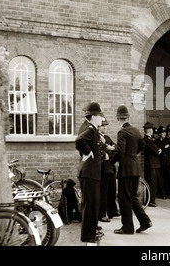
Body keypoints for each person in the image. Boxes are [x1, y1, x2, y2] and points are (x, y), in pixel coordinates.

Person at [112, 105, 152, 234]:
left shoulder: (122, 132)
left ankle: (128, 227)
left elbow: (120, 152)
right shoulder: (135, 130)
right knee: (133, 196)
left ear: (119, 119)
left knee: (124, 198)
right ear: (128, 117)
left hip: (126, 170)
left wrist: (112, 161)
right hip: (135, 168)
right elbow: (143, 144)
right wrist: (134, 154)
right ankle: (145, 221)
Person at [75, 102, 105, 243]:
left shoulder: (91, 128)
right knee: (90, 204)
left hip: (91, 172)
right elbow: (79, 140)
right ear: (93, 116)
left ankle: (91, 232)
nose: (102, 119)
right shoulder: (90, 129)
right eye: (99, 116)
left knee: (93, 204)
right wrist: (88, 152)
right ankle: (88, 236)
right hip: (89, 172)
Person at [98, 118, 120, 222]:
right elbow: (101, 151)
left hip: (111, 168)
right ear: (99, 127)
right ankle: (102, 214)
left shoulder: (107, 137)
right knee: (103, 192)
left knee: (112, 191)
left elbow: (116, 148)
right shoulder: (97, 138)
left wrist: (110, 149)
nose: (105, 128)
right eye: (103, 126)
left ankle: (112, 211)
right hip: (103, 168)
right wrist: (109, 149)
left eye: (106, 126)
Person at [143, 122, 163, 207]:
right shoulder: (149, 140)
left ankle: (149, 200)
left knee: (149, 183)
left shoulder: (146, 140)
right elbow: (156, 151)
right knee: (153, 183)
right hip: (153, 164)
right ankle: (151, 201)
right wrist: (159, 150)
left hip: (149, 164)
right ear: (150, 131)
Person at [157, 125, 170, 200]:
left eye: (164, 132)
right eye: (162, 133)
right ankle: (164, 194)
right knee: (162, 179)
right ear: (159, 134)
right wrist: (164, 147)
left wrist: (161, 150)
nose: (164, 134)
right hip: (162, 163)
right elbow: (156, 149)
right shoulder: (156, 141)